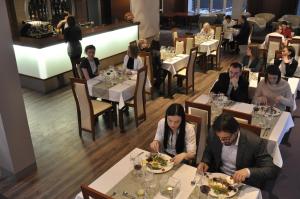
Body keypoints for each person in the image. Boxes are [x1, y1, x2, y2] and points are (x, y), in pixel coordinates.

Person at [197, 114, 278, 188]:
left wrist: (248, 171)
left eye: (226, 138)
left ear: (236, 132)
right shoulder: (214, 133)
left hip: (242, 182)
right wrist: (205, 161)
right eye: (220, 138)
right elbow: (209, 149)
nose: (222, 141)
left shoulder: (254, 142)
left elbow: (271, 170)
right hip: (219, 176)